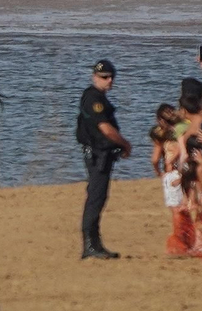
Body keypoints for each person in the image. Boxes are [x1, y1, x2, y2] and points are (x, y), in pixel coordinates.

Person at [76, 59, 130, 259]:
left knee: (99, 196)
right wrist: (125, 143)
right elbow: (105, 128)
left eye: (110, 77)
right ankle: (90, 245)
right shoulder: (93, 99)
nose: (108, 80)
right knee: (96, 197)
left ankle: (95, 244)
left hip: (103, 154)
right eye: (104, 77)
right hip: (97, 154)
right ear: (94, 77)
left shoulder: (97, 97)